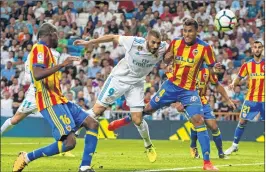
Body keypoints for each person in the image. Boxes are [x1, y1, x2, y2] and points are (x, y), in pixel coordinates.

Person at [108, 18, 220, 171]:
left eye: (190, 31)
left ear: (196, 31)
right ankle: (125, 120)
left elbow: (212, 68)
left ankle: (207, 163)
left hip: (189, 91)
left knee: (199, 121)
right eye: (185, 31)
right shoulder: (175, 43)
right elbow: (166, 60)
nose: (187, 34)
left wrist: (216, 70)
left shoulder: (205, 48)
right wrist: (168, 58)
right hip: (171, 86)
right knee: (147, 110)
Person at [74, 30, 172, 163]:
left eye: (158, 43)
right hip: (119, 78)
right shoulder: (134, 42)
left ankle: (148, 145)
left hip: (137, 83)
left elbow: (178, 48)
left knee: (137, 119)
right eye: (153, 42)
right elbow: (113, 37)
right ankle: (75, 127)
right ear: (146, 39)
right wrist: (90, 42)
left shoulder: (163, 47)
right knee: (97, 111)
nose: (155, 46)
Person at [12, 23, 99, 172]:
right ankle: (27, 157)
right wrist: (62, 65)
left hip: (60, 99)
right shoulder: (40, 48)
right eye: (57, 34)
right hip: (48, 101)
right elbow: (38, 74)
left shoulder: (48, 52)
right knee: (69, 143)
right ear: (50, 34)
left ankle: (84, 167)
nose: (59, 38)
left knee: (92, 123)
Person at [1, 48, 75, 157]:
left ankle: (65, 148)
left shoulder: (55, 53)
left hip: (50, 92)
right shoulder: (34, 54)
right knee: (15, 119)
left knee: (58, 120)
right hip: (34, 93)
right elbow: (28, 76)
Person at [174, 64, 236, 159]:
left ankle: (221, 153)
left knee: (214, 126)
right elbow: (176, 86)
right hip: (189, 100)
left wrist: (228, 100)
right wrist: (178, 102)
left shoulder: (208, 71)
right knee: (199, 122)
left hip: (202, 100)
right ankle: (193, 146)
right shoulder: (186, 69)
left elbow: (218, 86)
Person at [225, 40, 265, 155]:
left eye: (259, 47)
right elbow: (239, 77)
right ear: (252, 50)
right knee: (242, 122)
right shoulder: (247, 65)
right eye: (255, 47)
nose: (257, 49)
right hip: (251, 99)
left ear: (262, 49)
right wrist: (233, 83)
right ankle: (234, 145)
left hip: (265, 100)